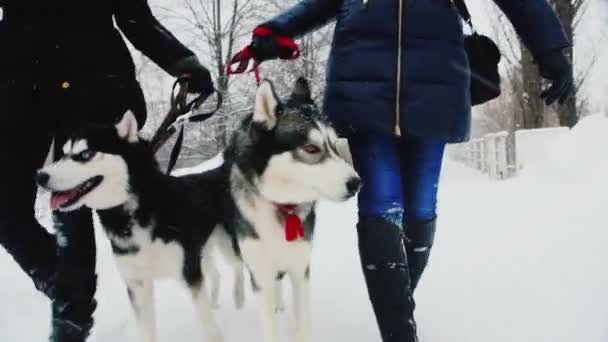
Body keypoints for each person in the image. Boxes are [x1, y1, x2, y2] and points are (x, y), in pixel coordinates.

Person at [247, 0, 572, 341]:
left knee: (420, 208)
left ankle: (398, 304)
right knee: (381, 203)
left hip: (436, 85)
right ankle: (399, 332)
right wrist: (274, 30)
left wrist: (549, 47)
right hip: (361, 86)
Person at [0, 1, 214, 341]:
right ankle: (65, 285)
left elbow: (136, 17)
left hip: (94, 84)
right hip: (19, 89)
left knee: (77, 193)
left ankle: (71, 318)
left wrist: (183, 64)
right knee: (7, 208)